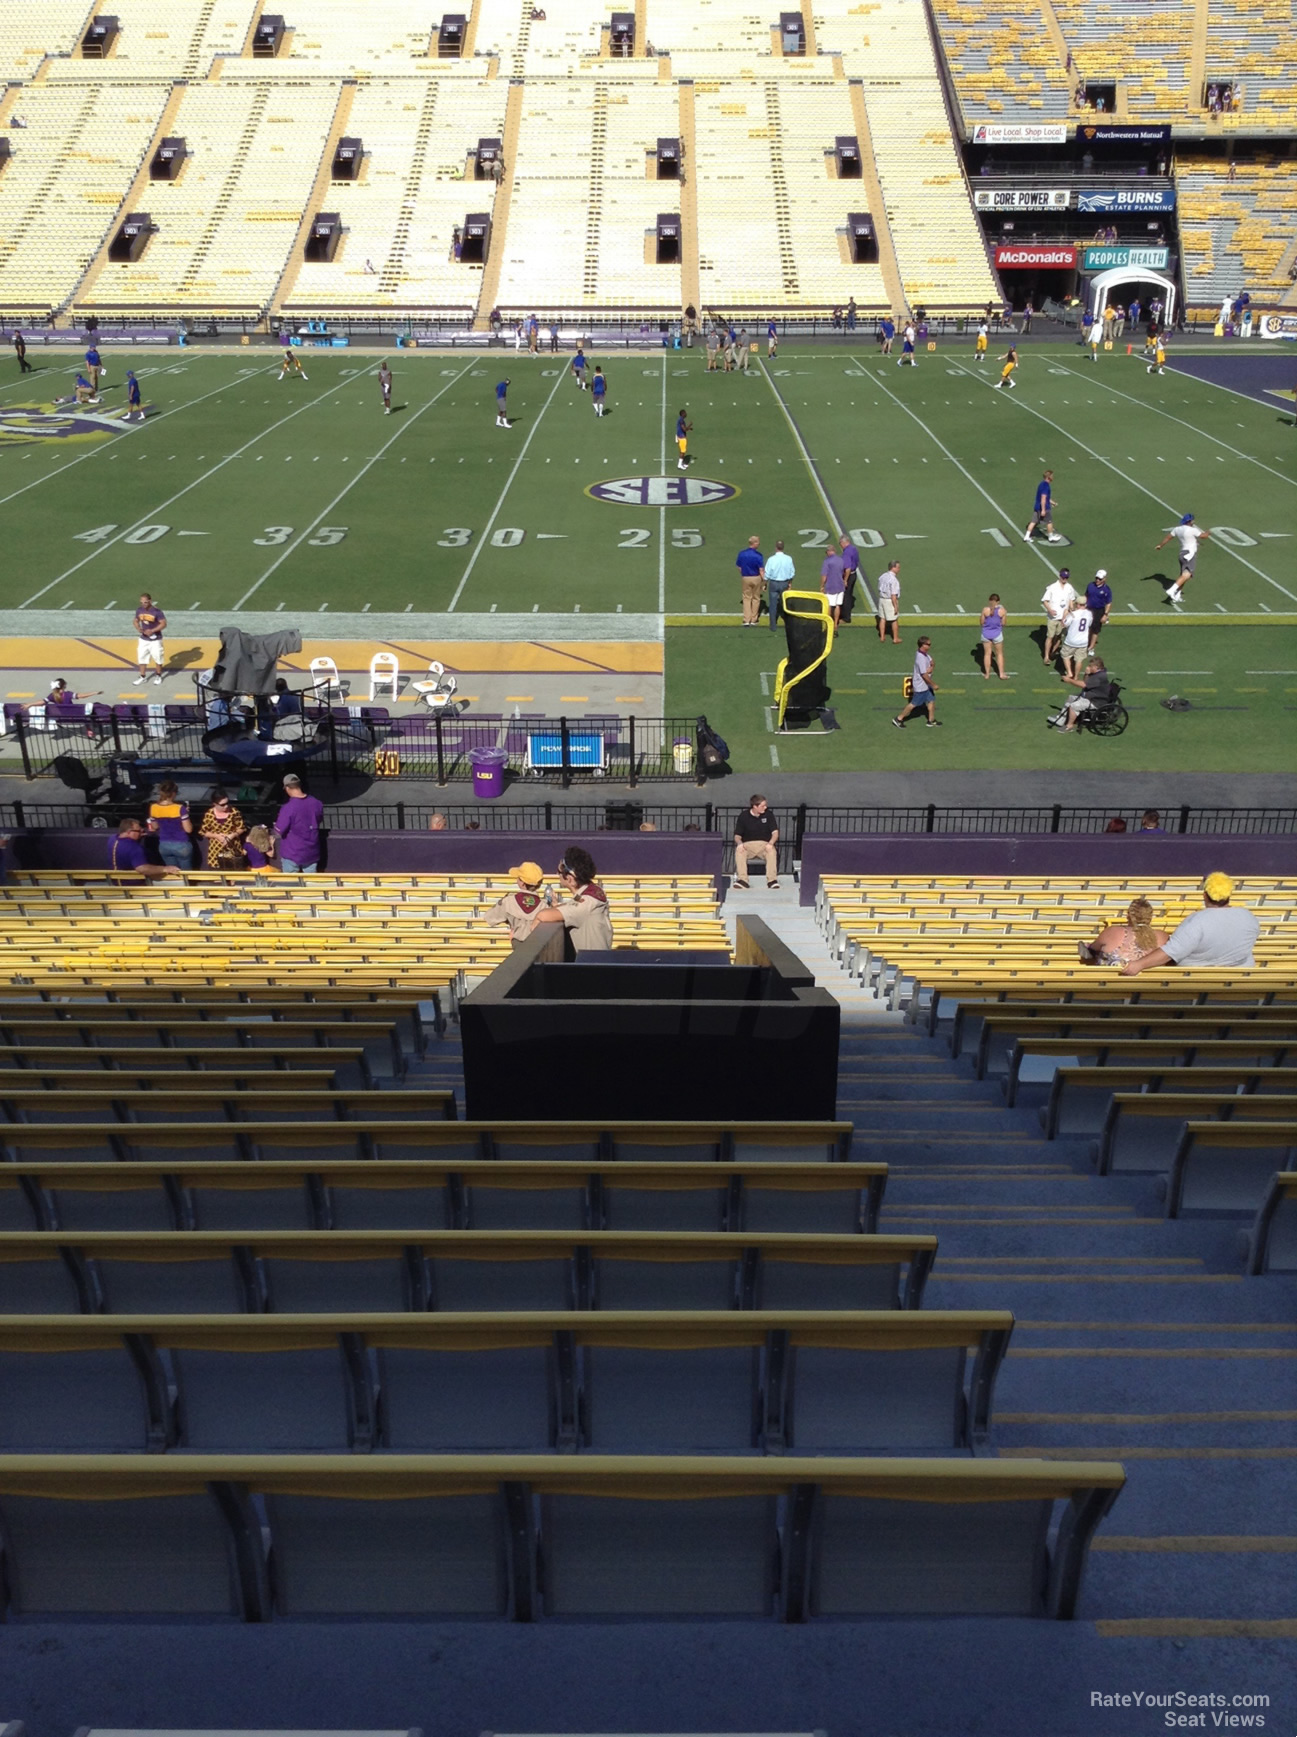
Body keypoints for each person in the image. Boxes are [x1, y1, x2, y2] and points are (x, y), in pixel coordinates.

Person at [1121, 873, 1259, 973]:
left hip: (1196, 979)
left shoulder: (1196, 921)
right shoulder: (1249, 917)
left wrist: (1138, 965)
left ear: (1205, 895)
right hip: (1238, 979)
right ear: (1228, 895)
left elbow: (1171, 952)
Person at [532, 846, 614, 950]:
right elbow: (574, 905)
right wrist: (557, 906)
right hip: (597, 960)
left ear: (570, 879)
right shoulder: (592, 891)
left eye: (559, 872)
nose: (557, 874)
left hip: (590, 964)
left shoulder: (586, 903)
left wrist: (535, 923)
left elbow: (542, 916)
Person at [1079, 897, 1170, 967]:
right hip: (1152, 987)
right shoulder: (1163, 937)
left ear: (1128, 916)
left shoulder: (1112, 932)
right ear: (1150, 917)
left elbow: (1092, 949)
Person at [482, 860, 548, 943]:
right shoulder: (545, 906)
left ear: (522, 883)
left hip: (518, 948)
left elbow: (489, 917)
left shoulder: (509, 901)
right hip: (539, 948)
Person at [1155, 512, 1210, 607]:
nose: (1194, 521)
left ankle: (1177, 595)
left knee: (1183, 576)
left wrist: (1160, 545)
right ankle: (1172, 590)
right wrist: (1209, 532)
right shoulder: (1192, 530)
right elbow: (1203, 536)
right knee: (1186, 575)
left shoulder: (1177, 529)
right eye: (1193, 520)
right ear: (1190, 521)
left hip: (1182, 554)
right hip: (1189, 555)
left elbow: (1168, 538)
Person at [274, 774, 324, 873]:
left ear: (287, 788)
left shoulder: (288, 808)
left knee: (291, 886)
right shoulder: (316, 803)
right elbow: (319, 819)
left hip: (292, 853)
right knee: (310, 885)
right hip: (311, 852)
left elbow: (279, 830)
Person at [1049, 653, 1109, 732]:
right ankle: (1061, 718)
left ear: (1096, 667)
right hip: (1091, 696)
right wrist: (1087, 674)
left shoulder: (1099, 677)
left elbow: (1084, 684)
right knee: (1071, 697)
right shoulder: (1097, 674)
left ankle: (1069, 726)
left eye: (1090, 666)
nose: (1088, 667)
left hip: (1096, 701)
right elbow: (1086, 681)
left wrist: (1069, 680)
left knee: (1074, 706)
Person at [732, 795, 779, 890]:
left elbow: (775, 833)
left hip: (764, 844)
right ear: (755, 806)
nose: (765, 808)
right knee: (739, 851)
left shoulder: (768, 815)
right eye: (762, 806)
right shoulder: (744, 816)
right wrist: (739, 843)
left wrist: (771, 843)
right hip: (748, 845)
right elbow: (737, 835)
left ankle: (772, 880)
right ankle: (743, 880)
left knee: (771, 851)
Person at [110, 816, 179, 880]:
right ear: (129, 832)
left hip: (116, 882)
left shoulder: (113, 839)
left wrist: (138, 836)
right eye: (139, 831)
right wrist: (164, 869)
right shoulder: (134, 848)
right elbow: (142, 868)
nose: (141, 833)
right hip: (132, 884)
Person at [893, 636, 940, 728]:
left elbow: (932, 662)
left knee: (931, 700)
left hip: (926, 686)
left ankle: (931, 720)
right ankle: (898, 719)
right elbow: (924, 675)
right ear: (923, 645)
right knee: (914, 704)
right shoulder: (921, 658)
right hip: (921, 686)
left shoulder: (924, 653)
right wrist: (933, 684)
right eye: (928, 644)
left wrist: (931, 667)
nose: (930, 646)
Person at [148, 779, 193, 871]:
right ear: (173, 793)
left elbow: (155, 827)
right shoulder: (180, 808)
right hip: (181, 844)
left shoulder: (153, 807)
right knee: (186, 874)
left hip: (164, 845)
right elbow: (188, 829)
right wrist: (186, 815)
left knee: (173, 873)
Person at [198, 792, 247, 868]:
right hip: (216, 849)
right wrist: (216, 836)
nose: (226, 806)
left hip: (233, 847)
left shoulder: (234, 812)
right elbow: (204, 831)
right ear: (215, 804)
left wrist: (232, 835)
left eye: (227, 803)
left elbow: (241, 828)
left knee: (234, 873)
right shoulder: (209, 814)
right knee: (218, 876)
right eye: (222, 805)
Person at [1040, 567, 1076, 664]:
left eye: (1066, 577)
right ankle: (1046, 656)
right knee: (1050, 636)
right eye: (1063, 577)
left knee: (1059, 636)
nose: (1064, 579)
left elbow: (1071, 600)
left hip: (1064, 617)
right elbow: (1045, 600)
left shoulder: (1069, 588)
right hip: (1053, 617)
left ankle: (1052, 652)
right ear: (1060, 576)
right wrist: (1050, 610)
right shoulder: (1052, 587)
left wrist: (1072, 609)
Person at [1059, 600, 1095, 682]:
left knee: (1065, 655)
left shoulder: (1073, 614)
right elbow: (1089, 624)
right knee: (1079, 659)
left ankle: (1069, 672)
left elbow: (1064, 623)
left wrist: (1065, 614)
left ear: (1078, 605)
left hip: (1071, 640)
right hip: (1083, 641)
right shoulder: (1089, 613)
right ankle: (1076, 676)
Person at [133, 593, 166, 685]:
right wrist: (138, 628)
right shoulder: (139, 610)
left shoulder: (157, 612)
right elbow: (135, 620)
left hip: (155, 639)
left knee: (158, 657)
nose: (143, 604)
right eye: (142, 602)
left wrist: (152, 630)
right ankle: (142, 676)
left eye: (145, 602)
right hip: (144, 639)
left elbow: (163, 624)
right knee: (142, 657)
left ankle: (158, 675)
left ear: (150, 601)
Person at [1024, 470, 1064, 544]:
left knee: (1033, 522)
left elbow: (1046, 498)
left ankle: (1026, 536)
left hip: (1037, 507)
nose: (1053, 477)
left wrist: (1053, 503)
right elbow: (1043, 498)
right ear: (1049, 477)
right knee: (1049, 522)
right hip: (1044, 507)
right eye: (1052, 476)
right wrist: (1043, 510)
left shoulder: (1041, 484)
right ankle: (1051, 537)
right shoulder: (1046, 486)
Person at [763, 539, 794, 631]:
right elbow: (792, 573)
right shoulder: (788, 558)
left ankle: (773, 626)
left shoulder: (771, 559)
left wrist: (765, 584)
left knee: (773, 605)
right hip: (784, 582)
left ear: (776, 548)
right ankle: (788, 624)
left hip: (774, 583)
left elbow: (767, 573)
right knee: (785, 603)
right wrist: (789, 583)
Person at [736, 535, 765, 627]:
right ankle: (754, 619)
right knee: (756, 598)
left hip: (746, 577)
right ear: (754, 543)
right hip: (756, 578)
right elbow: (761, 570)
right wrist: (764, 581)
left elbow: (739, 567)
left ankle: (746, 619)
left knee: (746, 598)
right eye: (758, 542)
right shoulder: (758, 555)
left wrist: (744, 574)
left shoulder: (742, 554)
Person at [979, 594, 1007, 680]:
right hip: (997, 634)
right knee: (999, 654)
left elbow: (981, 622)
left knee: (987, 654)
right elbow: (1003, 623)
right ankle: (1001, 674)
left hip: (986, 634)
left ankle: (987, 674)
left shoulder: (985, 610)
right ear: (998, 601)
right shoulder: (1002, 611)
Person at [1085, 568, 1113, 649]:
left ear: (1104, 579)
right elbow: (1086, 595)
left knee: (1095, 630)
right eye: (1096, 578)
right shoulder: (1090, 585)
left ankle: (1091, 647)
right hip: (1089, 609)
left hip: (1099, 611)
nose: (1097, 580)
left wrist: (1105, 614)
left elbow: (1109, 603)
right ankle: (1086, 643)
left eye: (1100, 579)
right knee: (1088, 627)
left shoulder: (1106, 590)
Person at [820, 540, 845, 628]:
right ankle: (835, 624)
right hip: (840, 585)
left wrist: (822, 586)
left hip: (831, 586)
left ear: (828, 552)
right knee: (838, 605)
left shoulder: (827, 561)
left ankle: (828, 623)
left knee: (830, 605)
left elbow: (824, 575)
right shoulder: (841, 560)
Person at [876, 560, 901, 643]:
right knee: (894, 619)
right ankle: (895, 638)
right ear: (893, 568)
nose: (899, 569)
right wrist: (896, 606)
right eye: (898, 567)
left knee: (882, 618)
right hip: (889, 601)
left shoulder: (883, 576)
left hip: (882, 599)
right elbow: (893, 595)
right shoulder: (894, 580)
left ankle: (882, 637)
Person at [676, 407, 692, 472]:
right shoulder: (681, 420)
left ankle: (681, 463)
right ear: (682, 414)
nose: (686, 414)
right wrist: (690, 426)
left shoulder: (680, 419)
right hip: (682, 438)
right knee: (682, 452)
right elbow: (684, 429)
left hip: (680, 436)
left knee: (682, 451)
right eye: (685, 413)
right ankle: (679, 465)